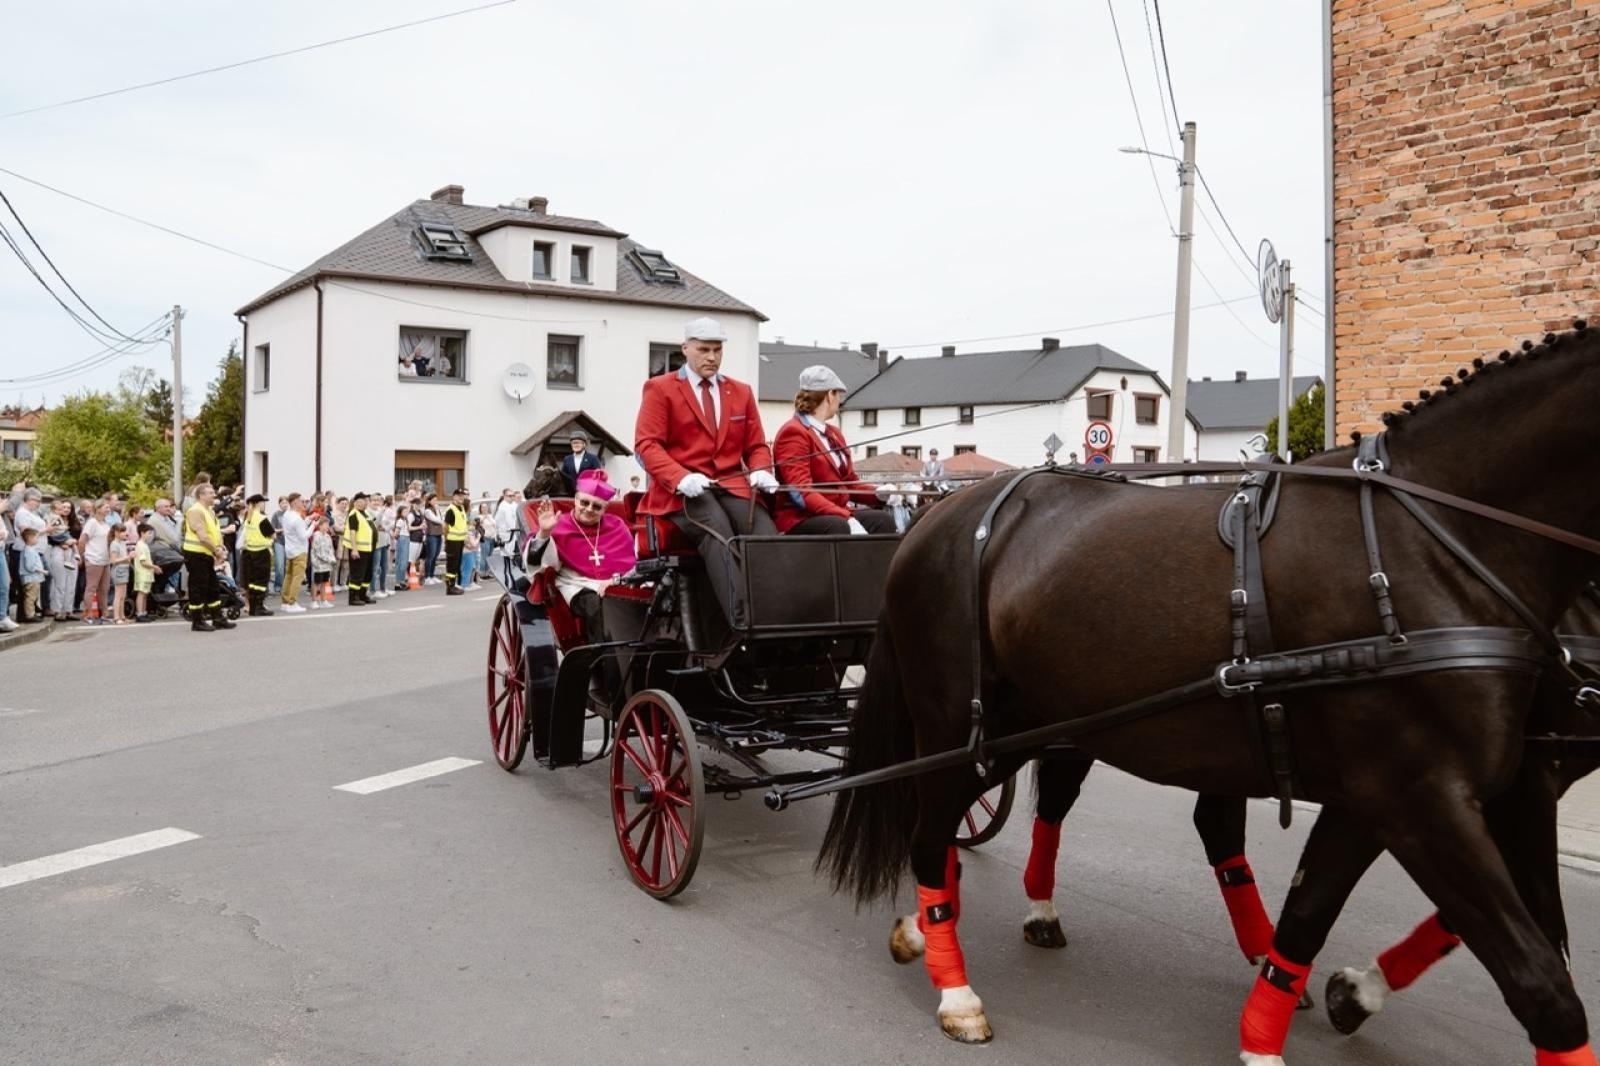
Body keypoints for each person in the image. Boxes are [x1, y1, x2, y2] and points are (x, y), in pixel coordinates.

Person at [634, 316, 779, 629]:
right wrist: (680, 477)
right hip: (684, 494)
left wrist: (761, 470)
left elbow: (756, 446)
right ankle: (743, 622)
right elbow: (647, 445)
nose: (712, 357)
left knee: (766, 534)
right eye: (704, 350)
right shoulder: (660, 389)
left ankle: (779, 612)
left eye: (717, 350)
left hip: (732, 487)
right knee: (718, 533)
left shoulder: (740, 392)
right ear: (685, 348)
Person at [525, 471, 637, 694]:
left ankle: (641, 670)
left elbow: (632, 560)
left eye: (597, 507)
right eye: (584, 502)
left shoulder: (617, 525)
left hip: (617, 582)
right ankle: (608, 678)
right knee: (599, 607)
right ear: (575, 499)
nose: (588, 509)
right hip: (576, 584)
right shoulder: (559, 524)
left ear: (605, 509)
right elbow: (542, 567)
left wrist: (616, 580)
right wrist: (545, 533)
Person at [773, 365, 898, 535]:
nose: (840, 400)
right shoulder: (794, 433)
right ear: (829, 395)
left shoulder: (835, 434)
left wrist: (877, 493)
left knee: (882, 521)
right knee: (839, 526)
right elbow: (802, 492)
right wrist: (845, 517)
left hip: (837, 513)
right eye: (839, 394)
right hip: (802, 517)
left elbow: (848, 482)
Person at [183, 483, 235, 631]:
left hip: (206, 553)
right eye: (210, 493)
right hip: (196, 554)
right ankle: (197, 621)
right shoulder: (195, 511)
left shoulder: (209, 511)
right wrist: (216, 550)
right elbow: (203, 536)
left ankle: (217, 618)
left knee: (213, 587)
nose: (214, 495)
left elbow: (215, 531)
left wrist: (221, 546)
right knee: (198, 588)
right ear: (201, 496)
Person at [79, 499, 113, 624]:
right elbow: (82, 540)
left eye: (109, 507)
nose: (108, 509)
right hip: (93, 558)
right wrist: (81, 556)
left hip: (105, 559)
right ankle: (88, 613)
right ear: (98, 509)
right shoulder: (92, 523)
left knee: (104, 588)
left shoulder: (105, 524)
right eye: (105, 507)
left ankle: (104, 613)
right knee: (91, 587)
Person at [240, 494, 276, 616]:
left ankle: (253, 607)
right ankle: (259, 607)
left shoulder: (248, 517)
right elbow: (273, 534)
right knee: (261, 581)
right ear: (258, 504)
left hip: (250, 552)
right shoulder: (261, 518)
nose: (264, 504)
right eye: (263, 502)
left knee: (253, 581)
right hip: (261, 552)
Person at [342, 490, 375, 606]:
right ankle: (353, 597)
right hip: (359, 550)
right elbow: (352, 533)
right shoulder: (353, 514)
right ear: (356, 502)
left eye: (367, 501)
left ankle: (362, 595)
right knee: (357, 573)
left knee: (367, 574)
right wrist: (354, 549)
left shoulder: (365, 513)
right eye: (363, 500)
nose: (366, 503)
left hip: (369, 549)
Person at [280, 493, 310, 613]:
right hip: (299, 550)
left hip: (290, 549)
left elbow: (298, 527)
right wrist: (313, 525)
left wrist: (308, 520)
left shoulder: (287, 514)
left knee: (289, 576)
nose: (303, 503)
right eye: (301, 501)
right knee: (297, 578)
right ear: (294, 503)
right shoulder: (296, 518)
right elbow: (304, 535)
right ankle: (292, 603)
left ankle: (285, 602)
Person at [441, 487, 471, 595]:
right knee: (452, 565)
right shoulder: (451, 509)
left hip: (459, 541)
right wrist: (446, 538)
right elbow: (445, 526)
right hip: (452, 541)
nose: (461, 498)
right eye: (459, 496)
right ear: (454, 497)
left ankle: (454, 584)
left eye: (462, 496)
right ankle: (450, 587)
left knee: (457, 564)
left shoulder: (461, 508)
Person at [492, 488, 523, 587]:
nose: (512, 498)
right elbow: (499, 523)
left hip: (515, 536)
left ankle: (514, 581)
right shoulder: (503, 507)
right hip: (507, 537)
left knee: (514, 560)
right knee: (508, 561)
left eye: (513, 496)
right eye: (509, 496)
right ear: (505, 496)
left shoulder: (513, 505)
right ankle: (508, 582)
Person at [560, 430, 603, 495]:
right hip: (570, 494)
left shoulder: (593, 458)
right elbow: (563, 477)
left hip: (588, 494)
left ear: (584, 444)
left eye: (578, 443)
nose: (576, 445)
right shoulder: (567, 459)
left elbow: (598, 477)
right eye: (574, 443)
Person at [17, 526, 44, 623]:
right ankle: (30, 615)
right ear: (30, 538)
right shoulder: (28, 551)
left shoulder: (30, 550)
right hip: (31, 578)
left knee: (33, 597)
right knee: (30, 597)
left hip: (34, 578)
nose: (37, 539)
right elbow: (30, 566)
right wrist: (41, 570)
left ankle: (32, 613)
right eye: (36, 537)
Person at [309, 517, 337, 610]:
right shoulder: (316, 535)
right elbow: (318, 552)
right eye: (325, 525)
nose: (327, 527)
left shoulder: (328, 536)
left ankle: (323, 600)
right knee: (316, 583)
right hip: (318, 564)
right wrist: (330, 559)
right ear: (320, 526)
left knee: (324, 582)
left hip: (326, 564)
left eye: (328, 525)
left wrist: (332, 558)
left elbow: (331, 549)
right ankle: (314, 601)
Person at [107, 519, 131, 624]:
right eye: (122, 531)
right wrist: (127, 557)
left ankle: (122, 616)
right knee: (118, 595)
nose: (125, 534)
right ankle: (116, 617)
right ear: (116, 532)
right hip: (118, 570)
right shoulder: (114, 544)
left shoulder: (122, 543)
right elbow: (113, 560)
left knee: (123, 595)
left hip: (124, 568)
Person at [132, 524, 156, 622]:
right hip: (142, 573)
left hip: (147, 573)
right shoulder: (140, 545)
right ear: (142, 533)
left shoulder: (145, 545)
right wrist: (154, 566)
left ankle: (144, 612)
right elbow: (143, 561)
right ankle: (139, 613)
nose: (150, 535)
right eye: (148, 533)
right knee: (141, 593)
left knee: (145, 593)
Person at [421, 493, 444, 585]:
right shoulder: (427, 511)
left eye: (436, 500)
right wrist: (438, 511)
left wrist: (438, 511)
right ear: (429, 501)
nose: (435, 502)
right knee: (430, 556)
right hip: (431, 535)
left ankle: (432, 575)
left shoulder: (436, 509)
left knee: (435, 556)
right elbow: (437, 520)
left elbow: (441, 519)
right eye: (433, 500)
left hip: (438, 534)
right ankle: (427, 577)